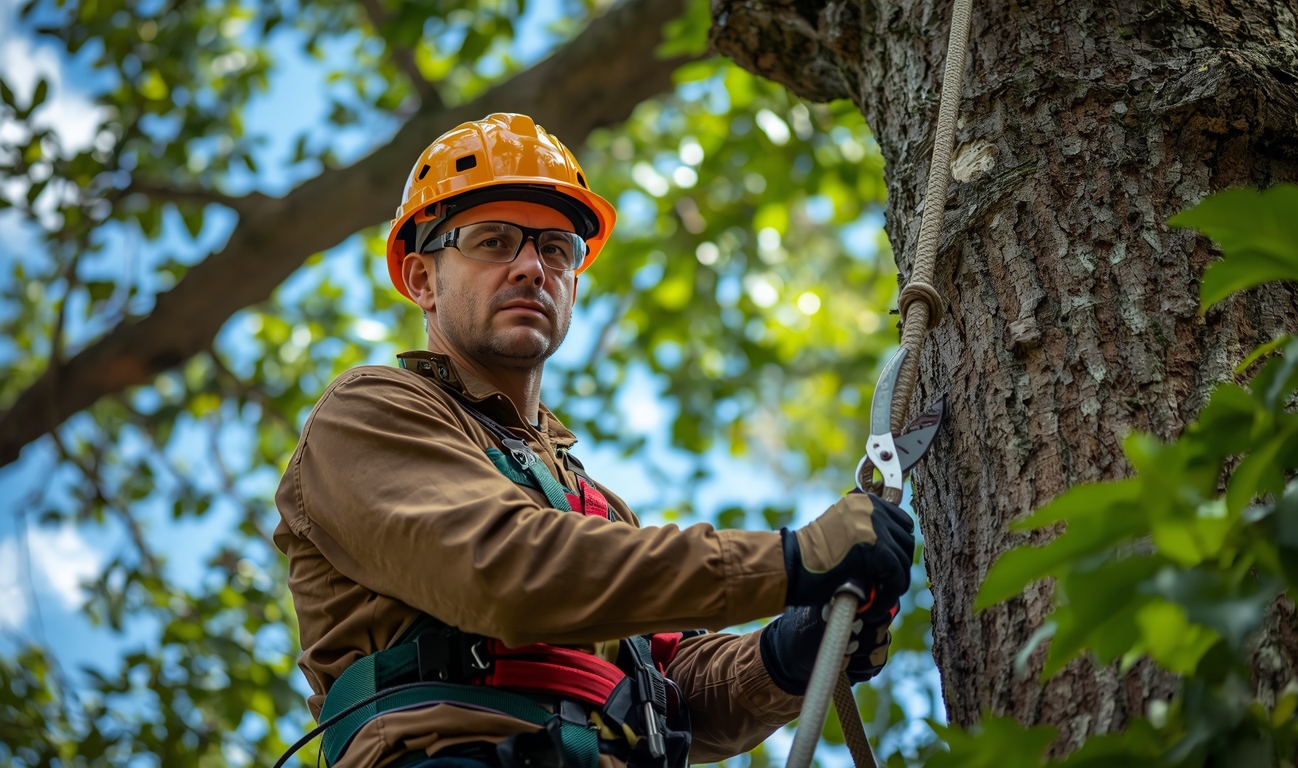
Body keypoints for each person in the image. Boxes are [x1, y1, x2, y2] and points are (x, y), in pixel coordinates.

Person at [273, 113, 917, 768]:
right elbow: (507, 571)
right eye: (494, 241)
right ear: (421, 280)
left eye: (556, 249)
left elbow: (672, 688)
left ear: (575, 282)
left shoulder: (593, 505)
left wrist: (789, 652)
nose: (531, 267)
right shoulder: (372, 412)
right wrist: (791, 560)